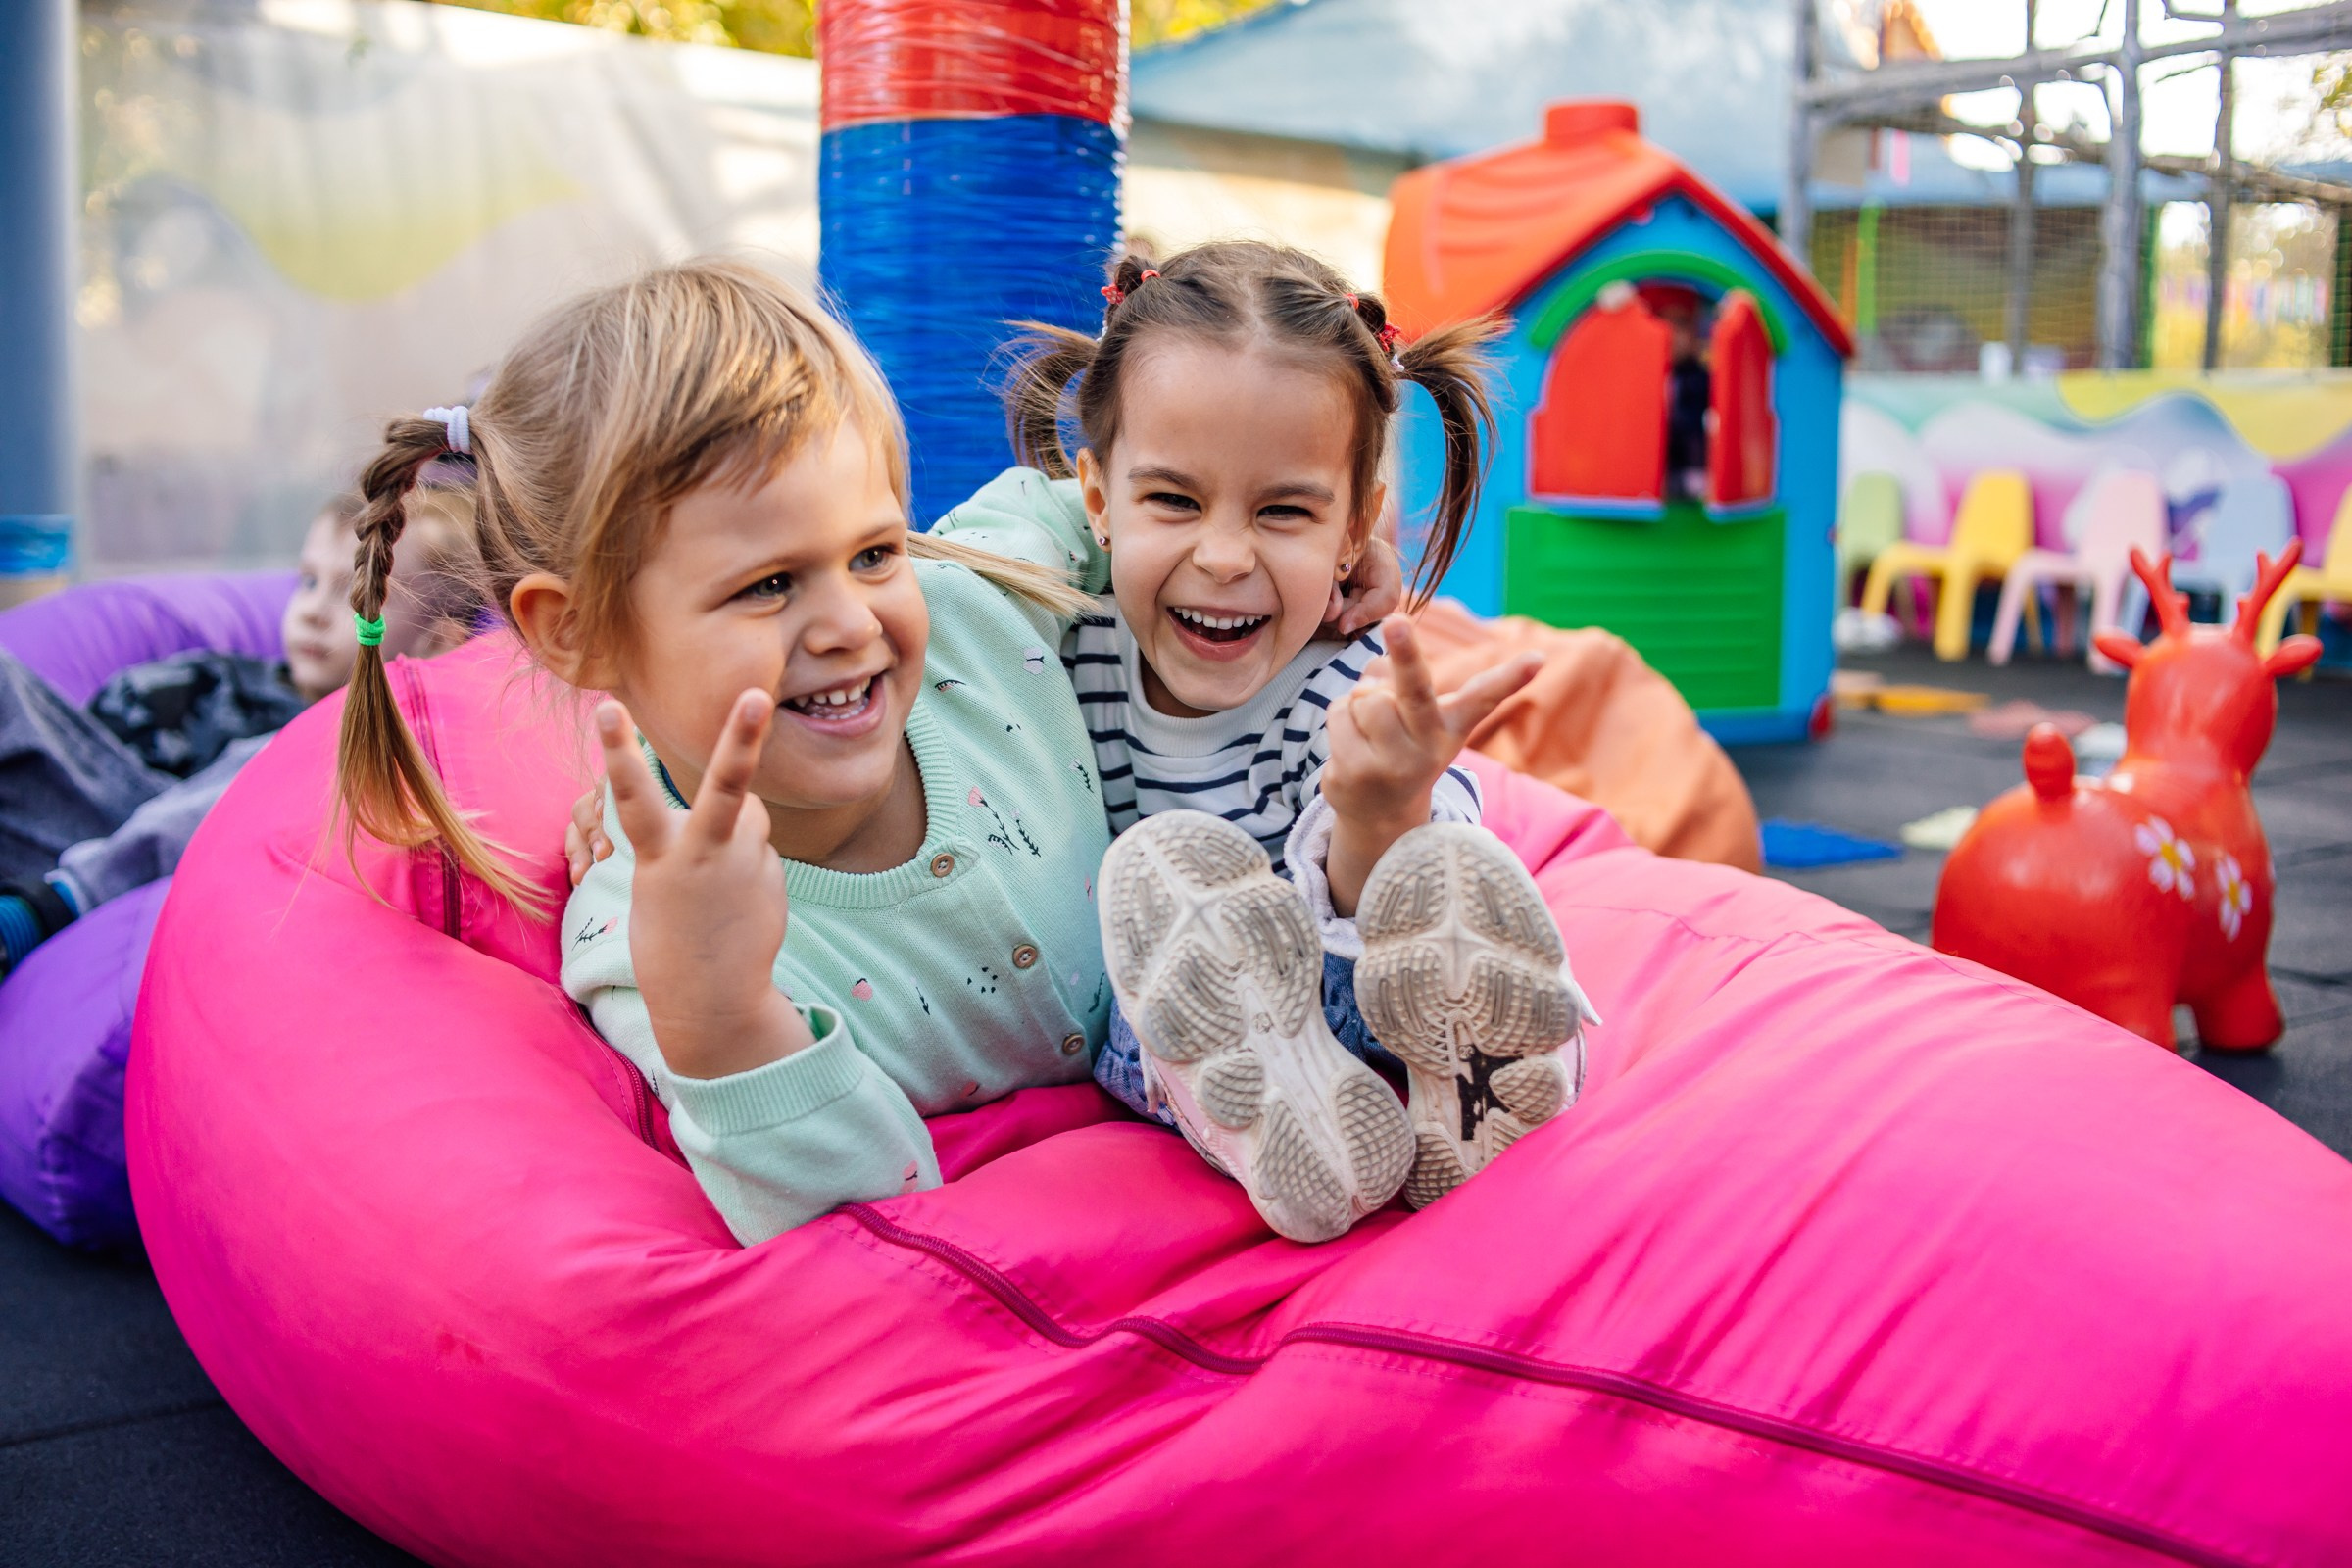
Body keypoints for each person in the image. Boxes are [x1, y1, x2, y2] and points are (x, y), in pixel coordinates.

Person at [333, 259, 1126, 1250]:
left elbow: (1115, 507)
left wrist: (1323, 560)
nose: (849, 622)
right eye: (767, 585)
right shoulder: (649, 940)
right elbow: (858, 1234)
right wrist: (726, 1017)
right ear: (577, 631)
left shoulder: (979, 602)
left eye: (874, 553)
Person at [927, 241, 1600, 1226]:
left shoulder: (1340, 671)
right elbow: (939, 583)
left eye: (1283, 512)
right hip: (1201, 1022)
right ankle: (1318, 1122)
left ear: (1353, 528)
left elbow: (1425, 896)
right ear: (1099, 500)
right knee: (1142, 985)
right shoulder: (1060, 641)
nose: (1226, 555)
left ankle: (1475, 1083)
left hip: (1351, 990)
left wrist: (1379, 812)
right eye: (1175, 500)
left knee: (1438, 878)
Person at [0, 485, 476, 979]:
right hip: (93, 789)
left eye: (355, 594)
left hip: (128, 848)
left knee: (288, 754)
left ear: (439, 642)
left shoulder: (358, 742)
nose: (313, 610)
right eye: (309, 582)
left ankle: (43, 908)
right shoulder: (238, 675)